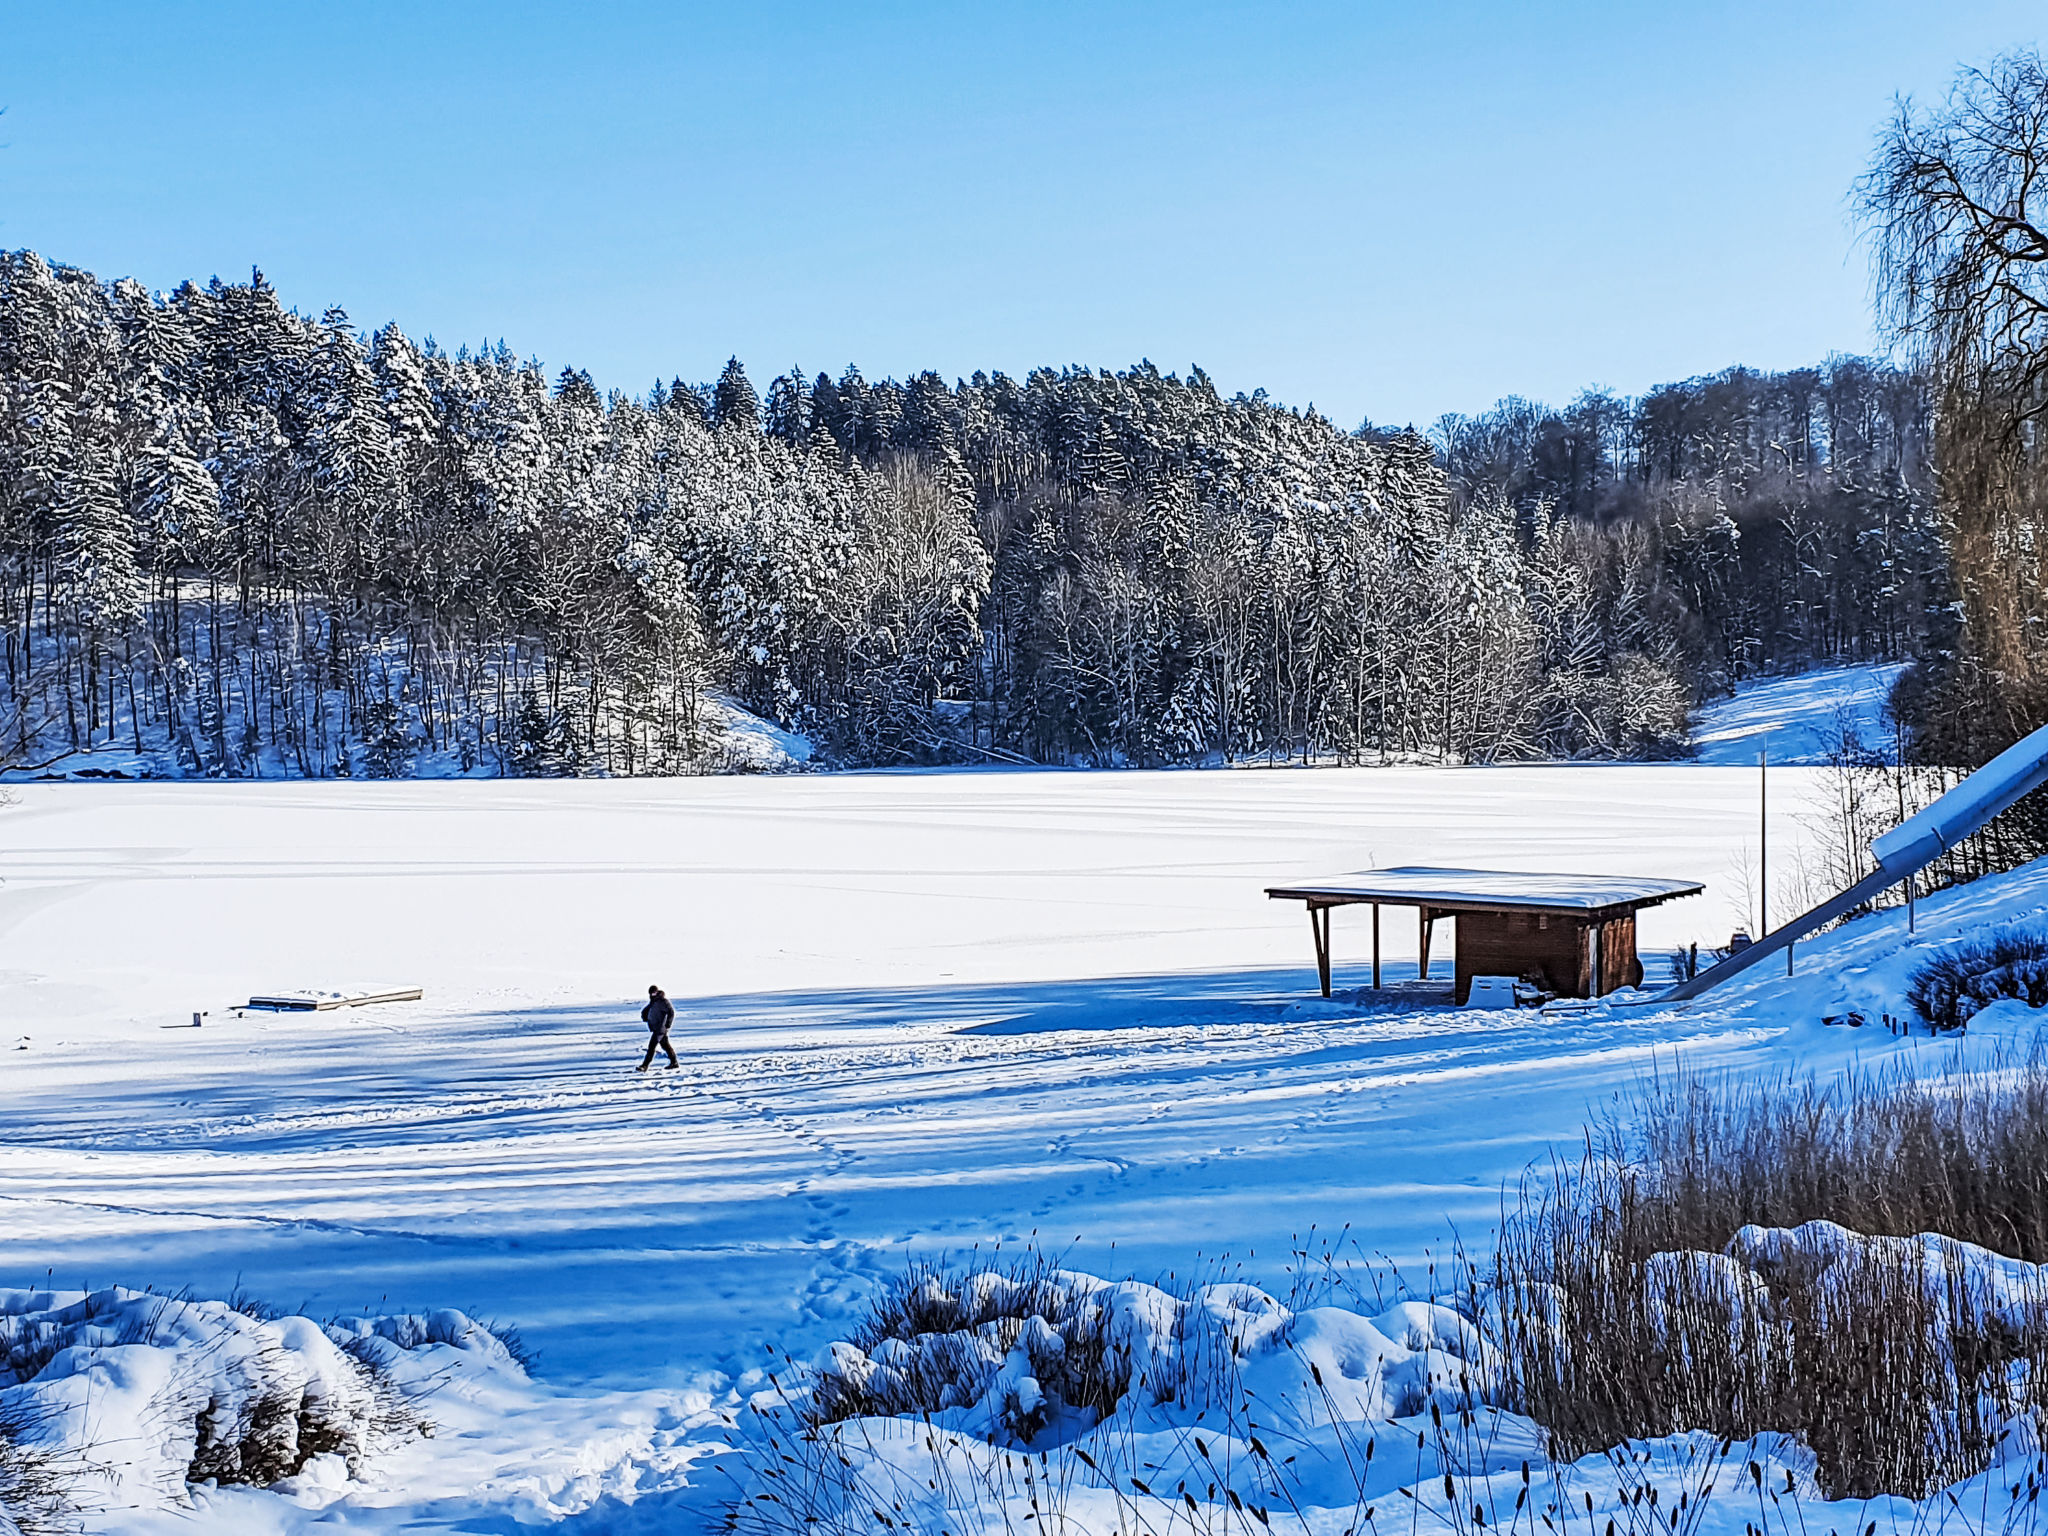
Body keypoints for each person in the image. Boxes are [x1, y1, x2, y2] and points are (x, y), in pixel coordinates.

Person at [637, 984, 678, 1071]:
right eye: (651, 993)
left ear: (657, 992)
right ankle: (674, 1062)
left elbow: (671, 1012)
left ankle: (645, 1065)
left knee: (651, 1047)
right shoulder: (653, 1001)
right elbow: (647, 1010)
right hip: (656, 1027)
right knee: (665, 1046)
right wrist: (645, 1016)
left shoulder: (663, 1001)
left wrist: (668, 1024)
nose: (653, 995)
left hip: (660, 1028)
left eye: (654, 993)